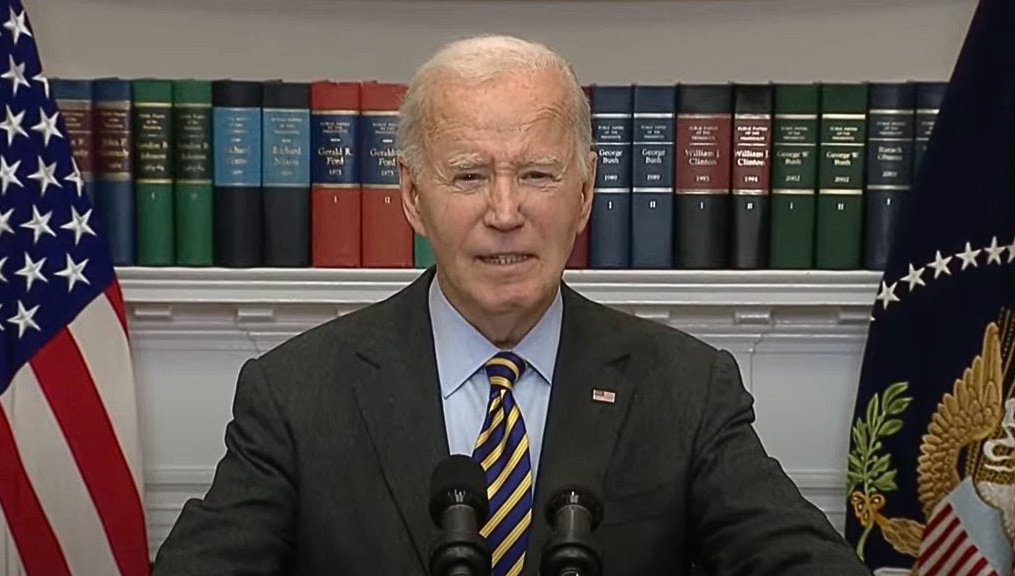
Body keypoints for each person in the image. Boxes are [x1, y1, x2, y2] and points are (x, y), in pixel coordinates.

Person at [153, 35, 870, 576]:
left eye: (536, 173)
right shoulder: (295, 395)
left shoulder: (685, 389)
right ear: (411, 196)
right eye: (469, 175)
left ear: (584, 194)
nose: (505, 211)